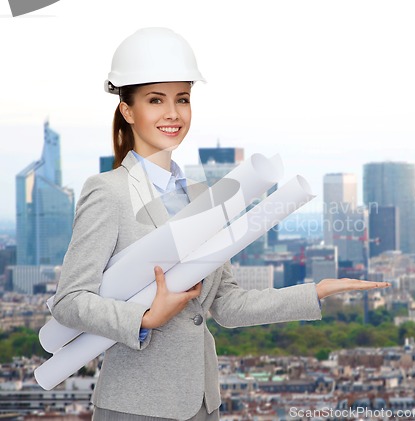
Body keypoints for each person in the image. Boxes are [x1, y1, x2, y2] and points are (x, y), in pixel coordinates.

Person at [51, 27, 390, 421]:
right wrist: (144, 319)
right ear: (127, 110)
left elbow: (227, 305)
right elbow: (69, 301)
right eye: (155, 100)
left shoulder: (202, 196)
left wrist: (316, 291)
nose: (173, 113)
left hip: (202, 403)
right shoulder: (108, 192)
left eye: (183, 99)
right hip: (136, 406)